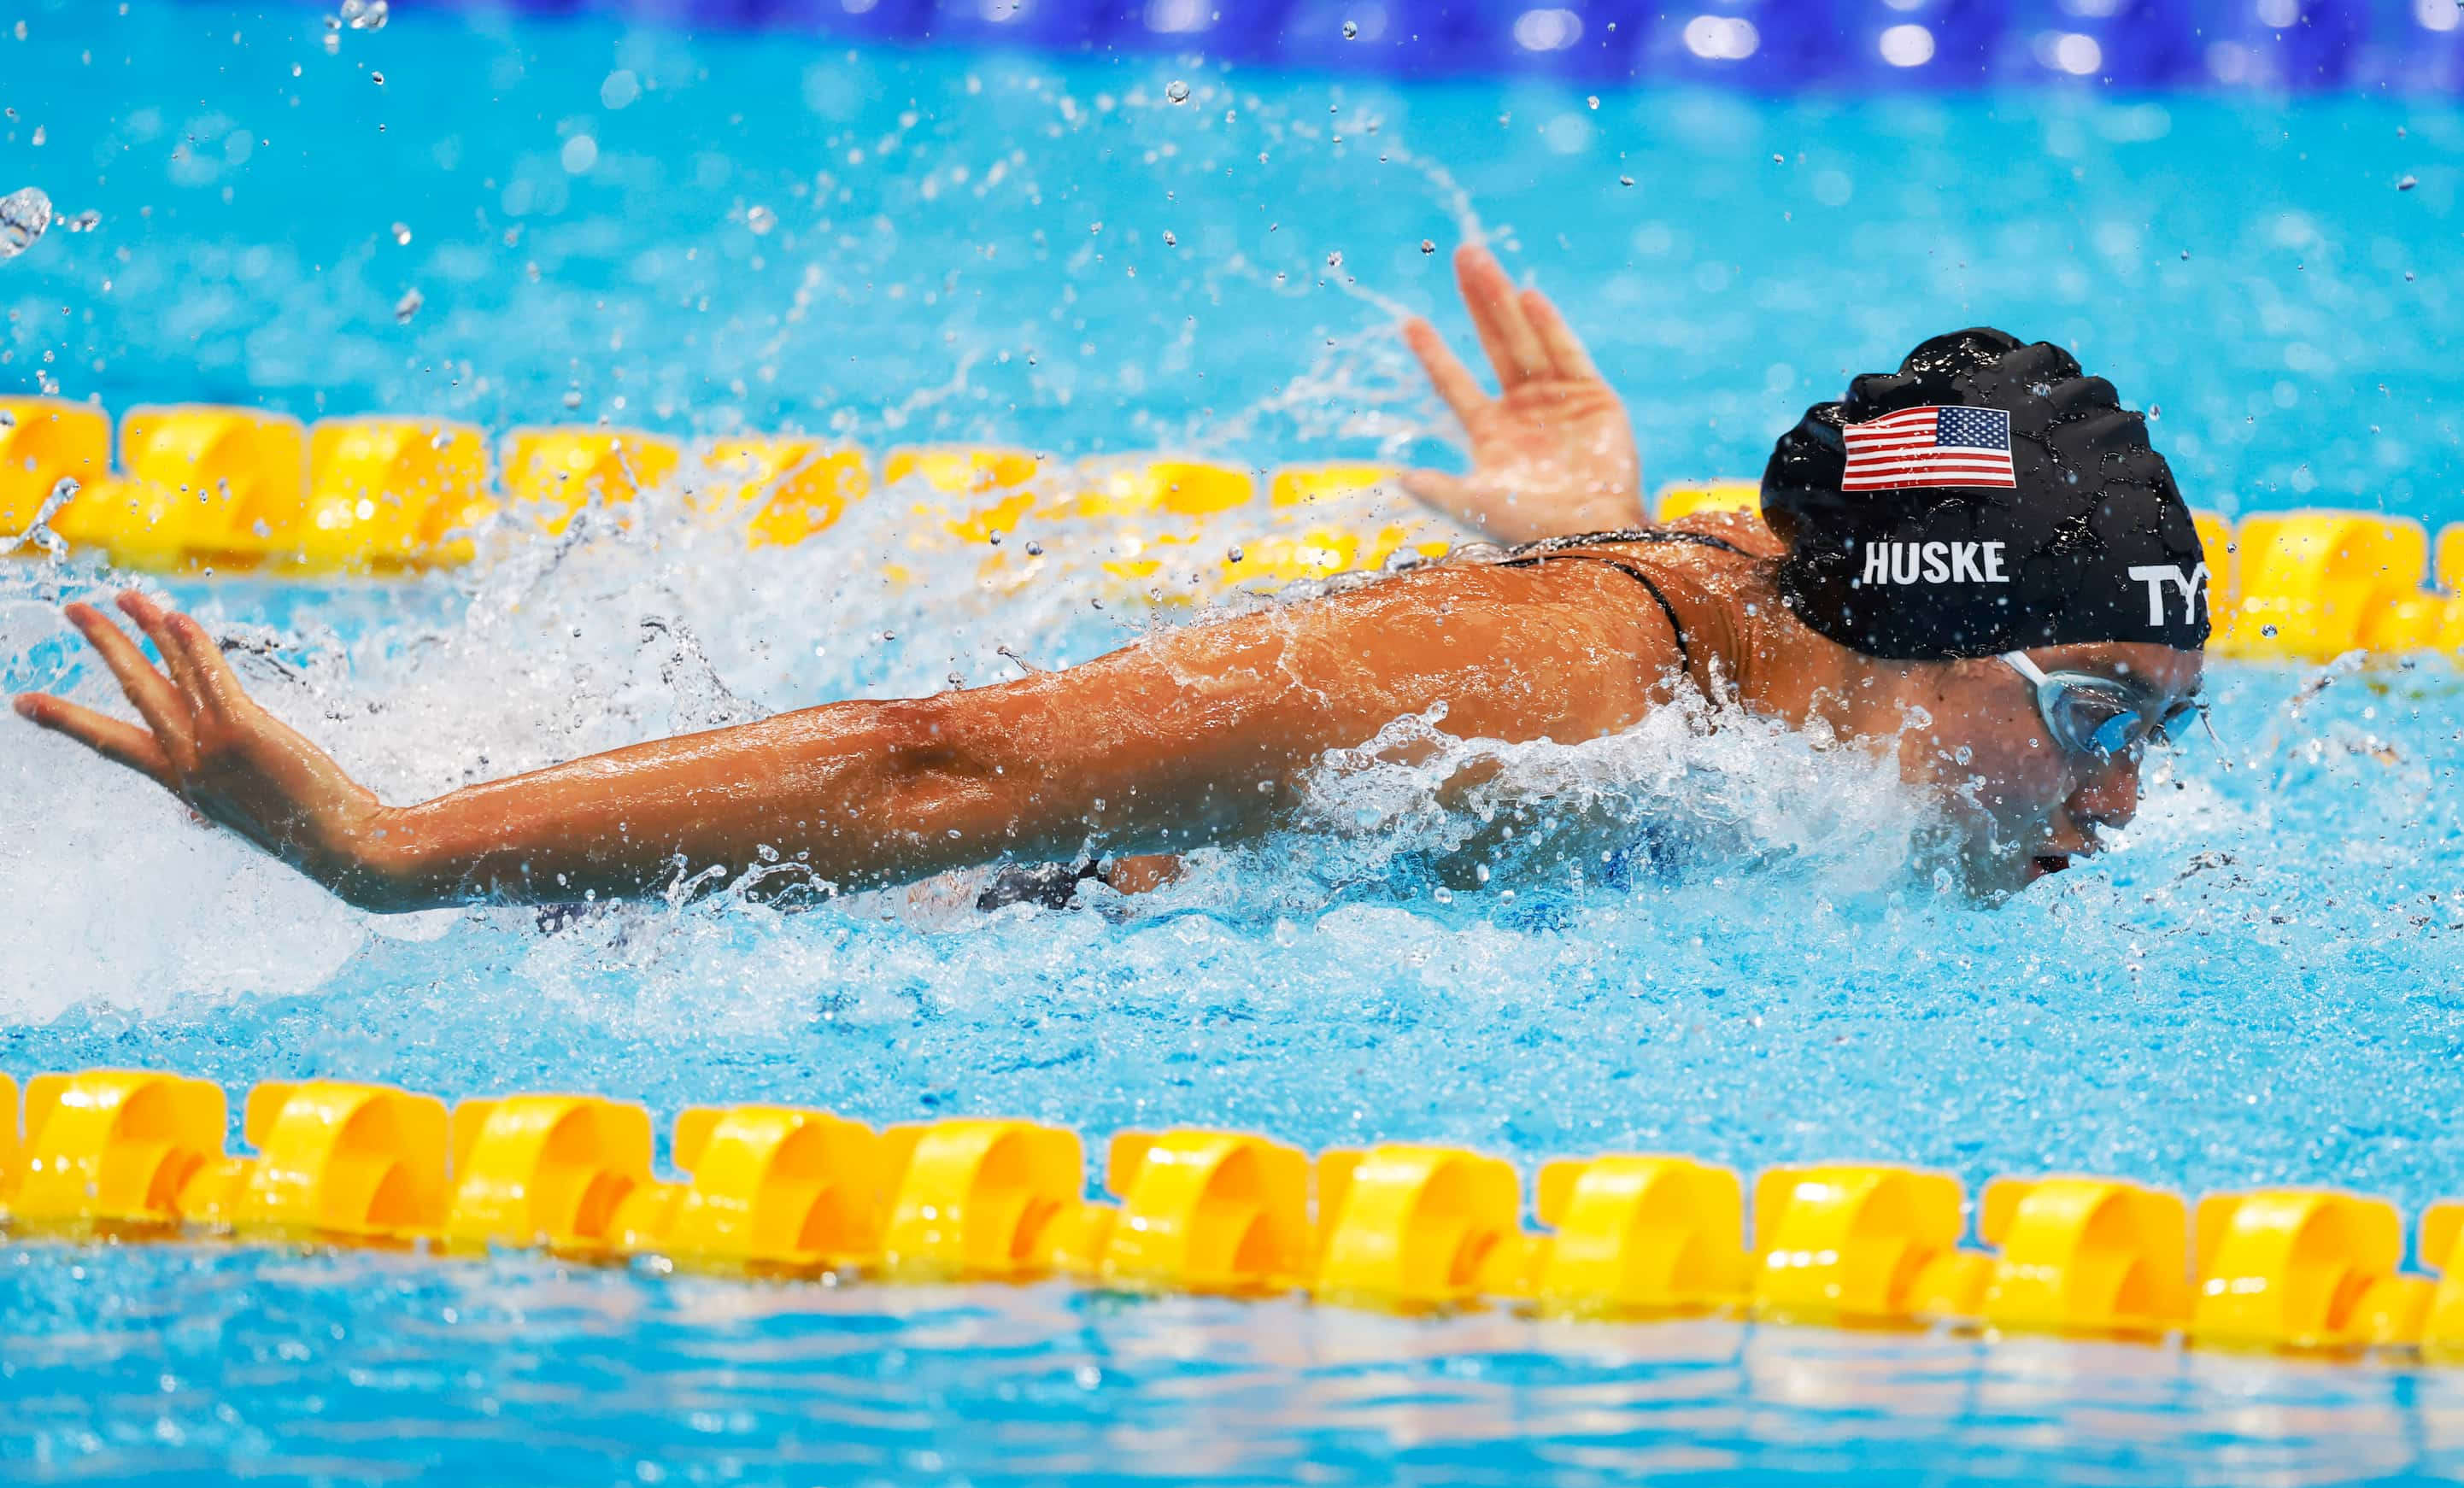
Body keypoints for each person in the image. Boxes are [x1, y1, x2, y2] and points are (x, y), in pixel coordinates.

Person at [13, 244, 2208, 911]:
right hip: (883, 896)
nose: (2118, 795)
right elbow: (931, 764)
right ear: (1911, 635)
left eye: (2151, 725)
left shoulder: (1768, 657)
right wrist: (375, 845)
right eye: (2094, 710)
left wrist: (1581, 512)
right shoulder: (1547, 679)